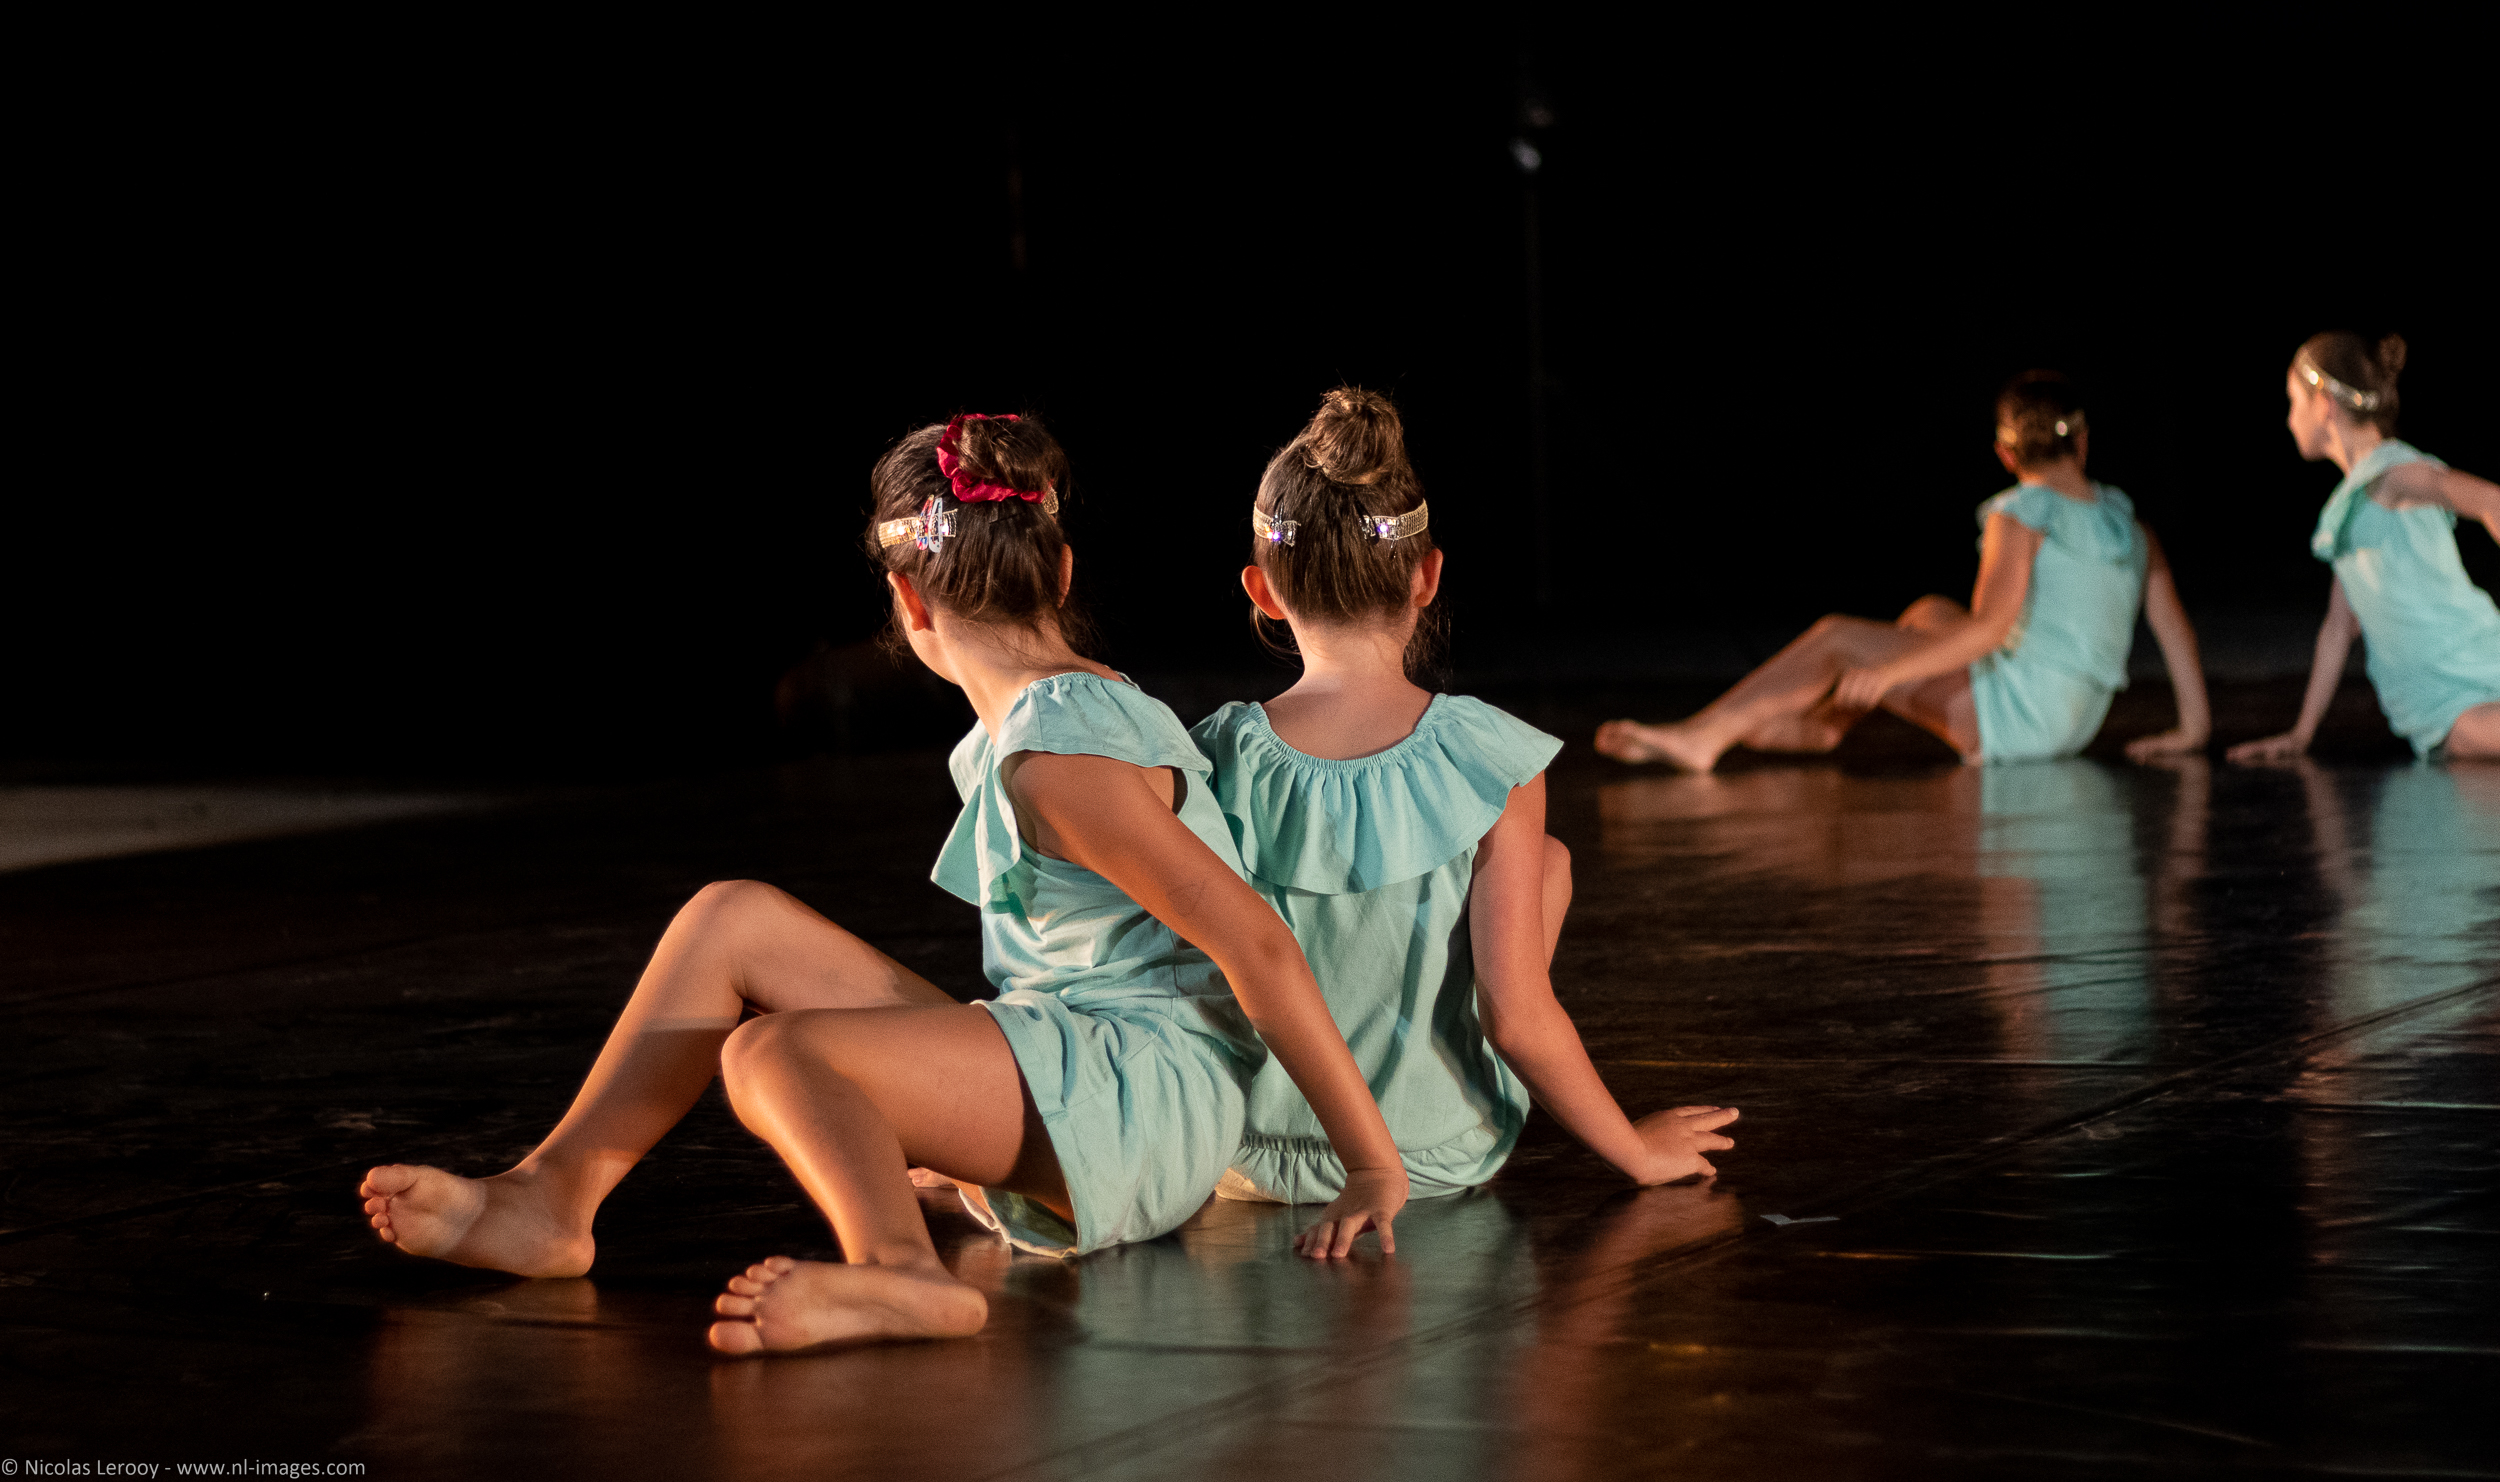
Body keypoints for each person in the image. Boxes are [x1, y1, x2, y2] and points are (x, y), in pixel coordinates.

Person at [360, 412, 1411, 1356]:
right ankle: (554, 1194)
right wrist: (969, 1112)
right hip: (1086, 1054)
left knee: (774, 1052)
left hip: (1146, 1098)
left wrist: (1369, 1162)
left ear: (909, 600)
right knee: (731, 918)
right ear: (1059, 573)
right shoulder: (1045, 723)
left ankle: (902, 1269)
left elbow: (1254, 942)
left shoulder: (1061, 761)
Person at [1190, 388, 1737, 1204]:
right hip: (1428, 1153)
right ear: (1426, 577)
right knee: (1544, 861)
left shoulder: (1213, 753)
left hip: (1241, 1153)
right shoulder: (1487, 754)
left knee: (1536, 859)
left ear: (1262, 591)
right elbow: (1514, 1017)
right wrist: (1636, 1150)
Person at [1596, 371, 2212, 770]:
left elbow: (1991, 630)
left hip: (2020, 721)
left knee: (1839, 637)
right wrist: (2193, 730)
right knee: (1927, 613)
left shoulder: (2023, 514)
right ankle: (1827, 725)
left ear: (2005, 454)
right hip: (2074, 724)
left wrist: (1885, 672)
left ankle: (1705, 736)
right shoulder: (2131, 525)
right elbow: (2177, 635)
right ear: (2082, 441)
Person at [2227, 333, 2500, 763]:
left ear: (2324, 406)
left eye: (2293, 402)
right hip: (2437, 696)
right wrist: (2300, 734)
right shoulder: (2351, 508)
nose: (2289, 419)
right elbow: (2338, 628)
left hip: (2464, 667)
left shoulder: (2390, 473)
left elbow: (2491, 501)